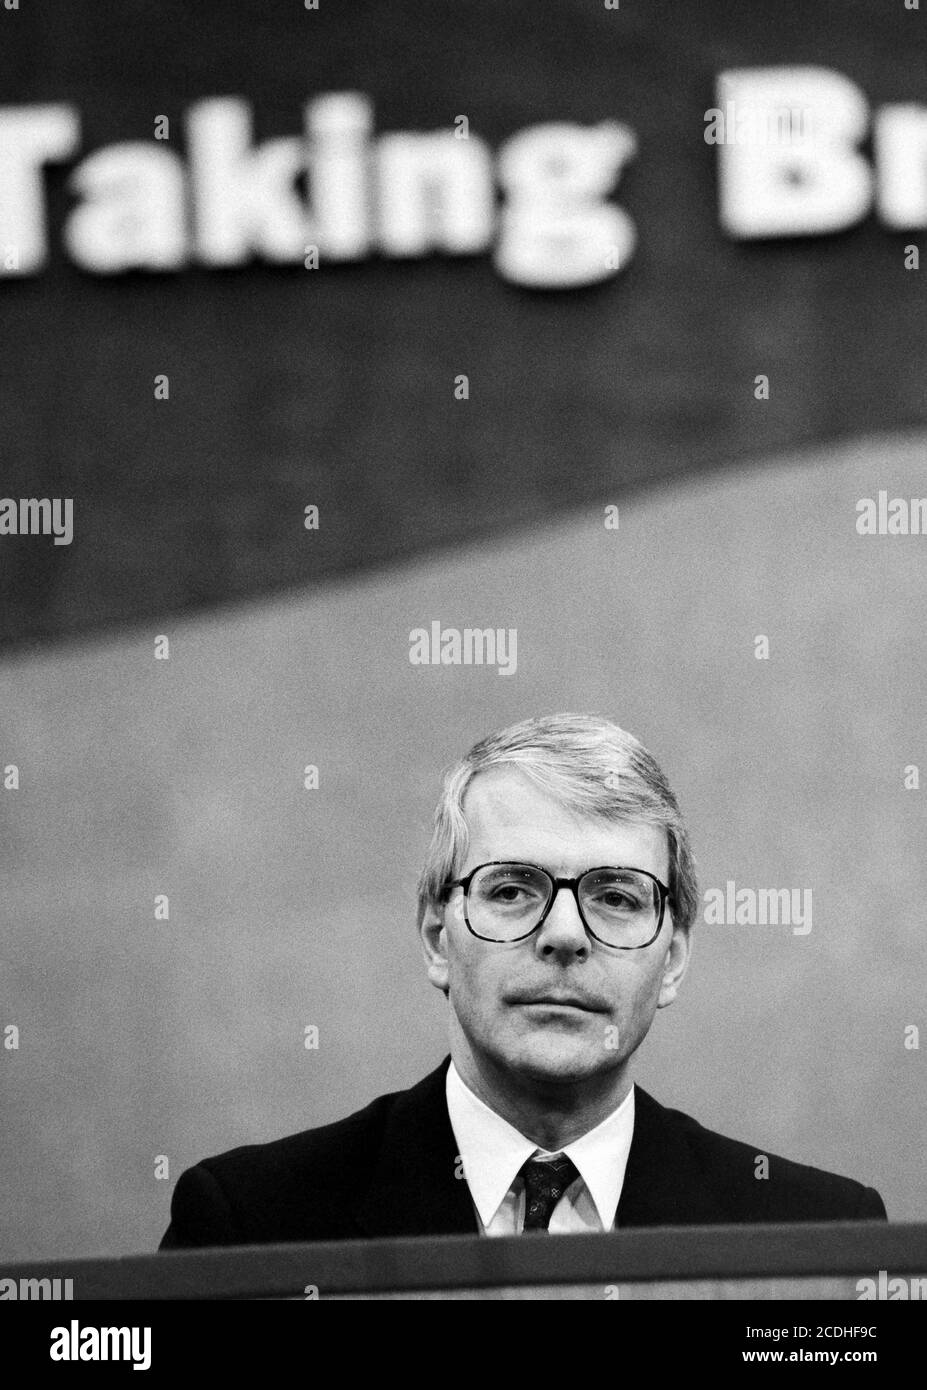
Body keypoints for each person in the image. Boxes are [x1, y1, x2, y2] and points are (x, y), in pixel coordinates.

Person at [160, 713, 885, 1248]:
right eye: (512, 890)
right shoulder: (250, 1225)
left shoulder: (816, 1237)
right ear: (435, 937)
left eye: (616, 896)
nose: (564, 934)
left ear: (673, 958)